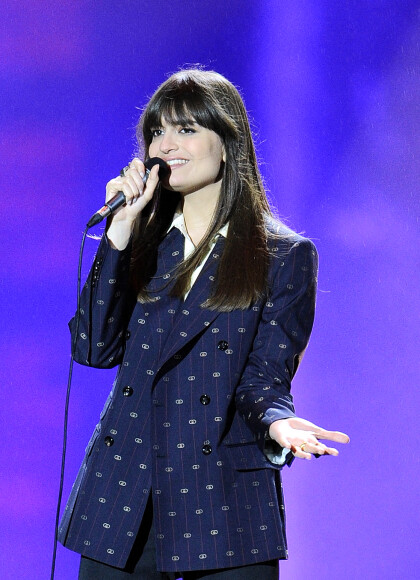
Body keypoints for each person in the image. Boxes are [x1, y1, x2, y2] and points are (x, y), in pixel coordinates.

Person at [58, 68, 349, 579]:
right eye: (156, 131)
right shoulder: (142, 241)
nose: (165, 145)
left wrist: (278, 421)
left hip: (222, 499)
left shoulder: (282, 255)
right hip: (126, 492)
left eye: (186, 130)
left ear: (228, 141)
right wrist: (119, 233)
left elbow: (264, 375)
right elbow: (91, 349)